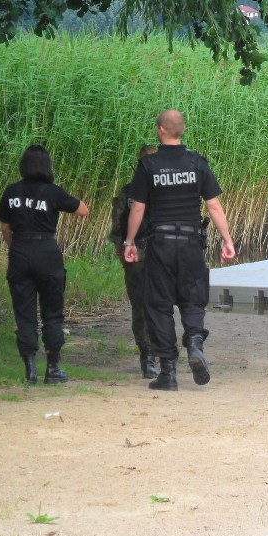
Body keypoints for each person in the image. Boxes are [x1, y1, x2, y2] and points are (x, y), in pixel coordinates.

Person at [124, 109, 235, 391]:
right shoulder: (197, 162)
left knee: (159, 305)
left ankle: (168, 373)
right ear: (181, 130)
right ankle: (195, 343)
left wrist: (129, 242)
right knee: (193, 299)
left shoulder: (149, 165)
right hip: (191, 243)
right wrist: (227, 240)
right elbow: (213, 205)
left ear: (161, 130)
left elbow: (138, 207)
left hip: (160, 243)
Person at [0, 144, 89, 385]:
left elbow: (5, 227)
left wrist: (15, 247)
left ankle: (29, 369)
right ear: (47, 167)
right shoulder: (53, 192)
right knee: (52, 313)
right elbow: (83, 210)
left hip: (20, 251)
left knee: (24, 315)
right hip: (47, 252)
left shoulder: (11, 191)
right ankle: (53, 367)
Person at [109, 145, 159, 380]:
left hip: (160, 253)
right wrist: (122, 247)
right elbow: (117, 225)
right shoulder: (129, 193)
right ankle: (148, 355)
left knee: (156, 306)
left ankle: (155, 353)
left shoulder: (165, 191)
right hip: (138, 253)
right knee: (142, 306)